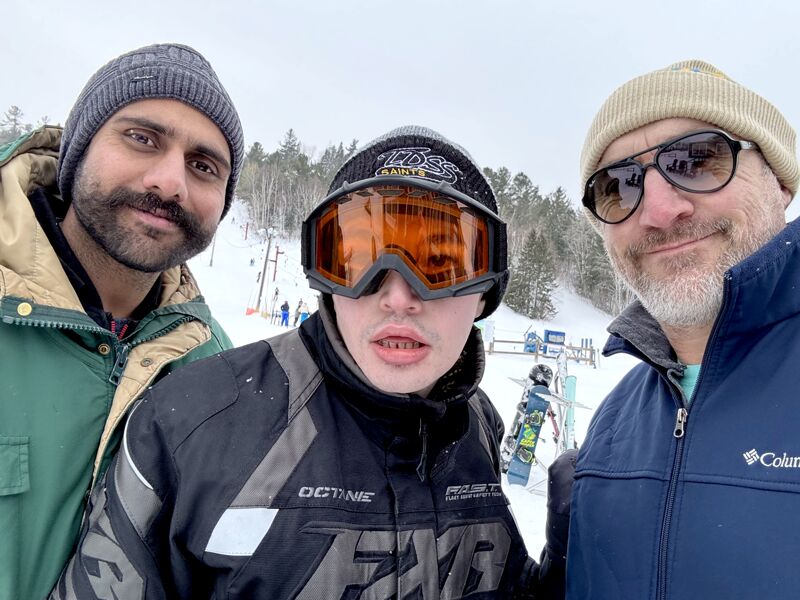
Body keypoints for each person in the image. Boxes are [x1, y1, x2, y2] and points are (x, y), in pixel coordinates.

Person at [50, 125, 571, 598]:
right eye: (359, 259)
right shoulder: (192, 423)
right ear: (325, 279)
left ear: (485, 292)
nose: (398, 297)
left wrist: (570, 566)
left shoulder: (475, 424)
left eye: (441, 263)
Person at [0, 42, 243, 600]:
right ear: (78, 149)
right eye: (142, 138)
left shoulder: (217, 370)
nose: (170, 182)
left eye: (204, 166)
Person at [570, 59, 800, 599]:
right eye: (618, 185)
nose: (658, 211)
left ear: (779, 180)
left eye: (697, 159)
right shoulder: (611, 427)